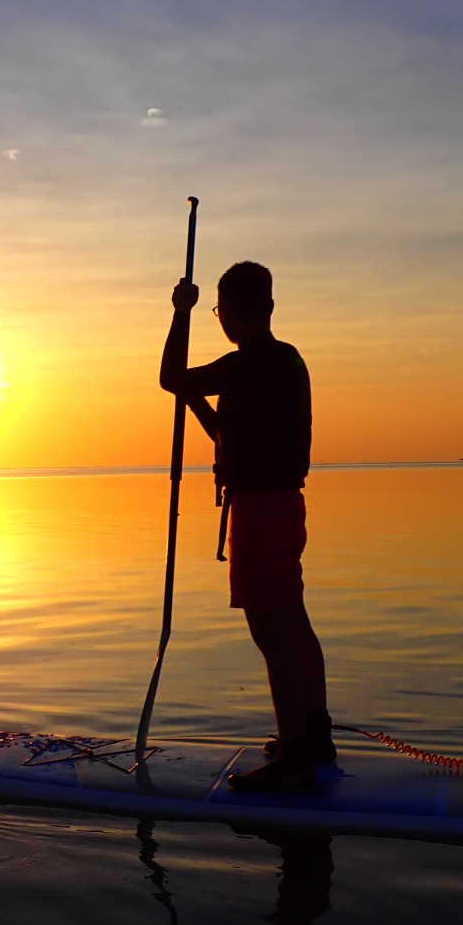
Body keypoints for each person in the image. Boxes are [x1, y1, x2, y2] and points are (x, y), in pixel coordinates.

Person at [160, 262, 331, 791]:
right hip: (285, 507)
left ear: (228, 313)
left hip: (260, 511)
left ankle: (297, 756)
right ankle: (314, 734)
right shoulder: (288, 362)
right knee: (294, 620)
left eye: (216, 309)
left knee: (271, 630)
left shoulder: (244, 364)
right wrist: (196, 403)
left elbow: (169, 377)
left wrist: (180, 313)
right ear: (271, 307)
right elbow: (228, 438)